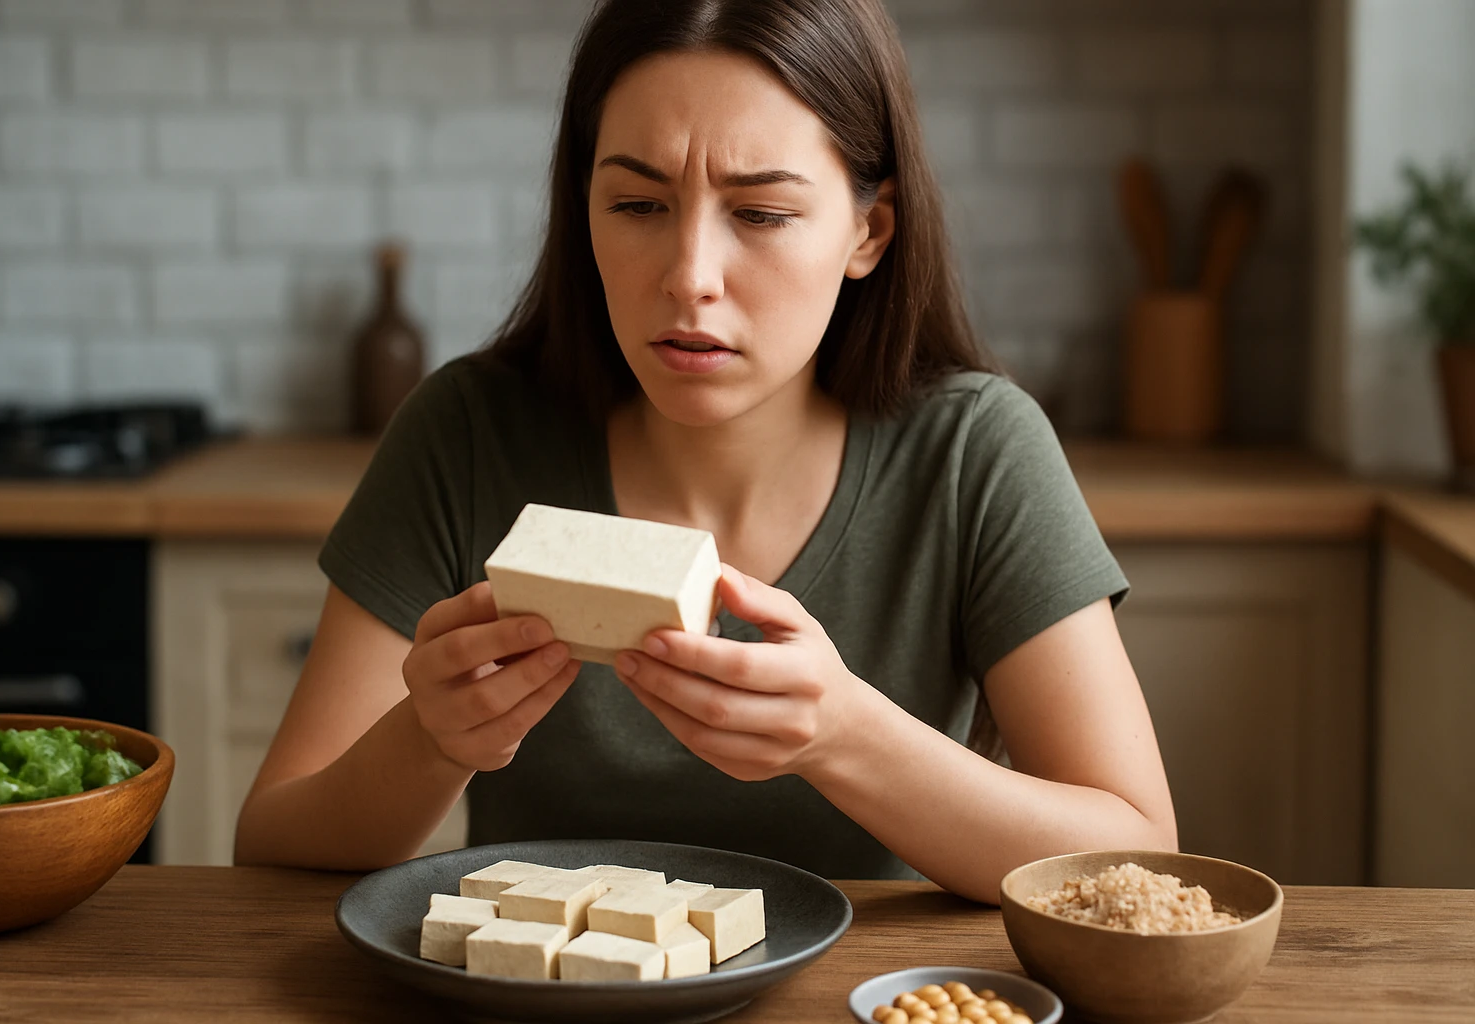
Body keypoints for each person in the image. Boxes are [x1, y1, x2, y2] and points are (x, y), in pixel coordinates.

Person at [234, 0, 1178, 904]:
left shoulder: (975, 450)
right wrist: (431, 741)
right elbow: (272, 841)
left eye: (761, 214)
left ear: (867, 230)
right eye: (638, 204)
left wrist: (844, 734)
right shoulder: (468, 432)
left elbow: (1135, 850)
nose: (689, 278)